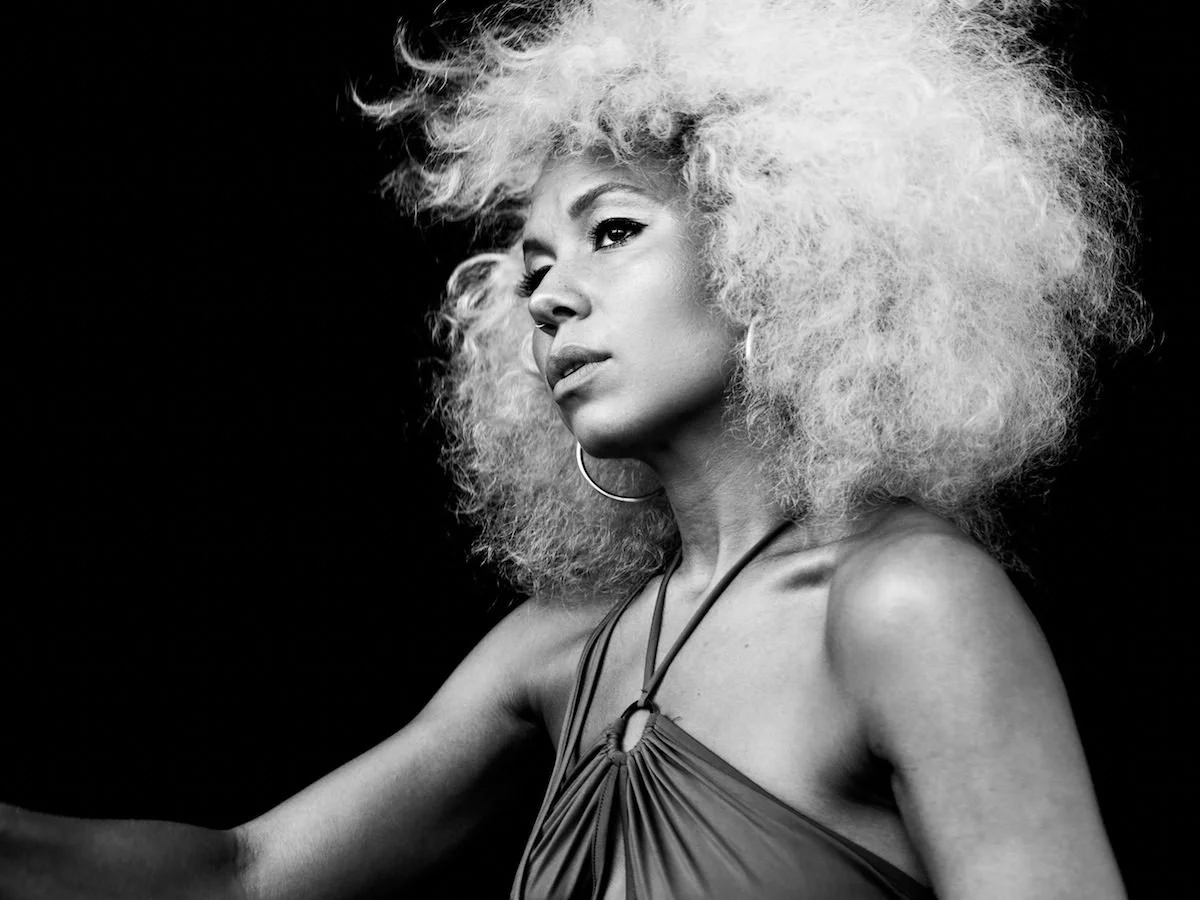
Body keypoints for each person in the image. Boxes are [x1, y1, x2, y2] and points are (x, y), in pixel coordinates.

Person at [3, 0, 1144, 897]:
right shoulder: (568, 641)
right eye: (533, 267)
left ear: (783, 250)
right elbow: (242, 877)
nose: (547, 300)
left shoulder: (906, 602)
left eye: (612, 231)